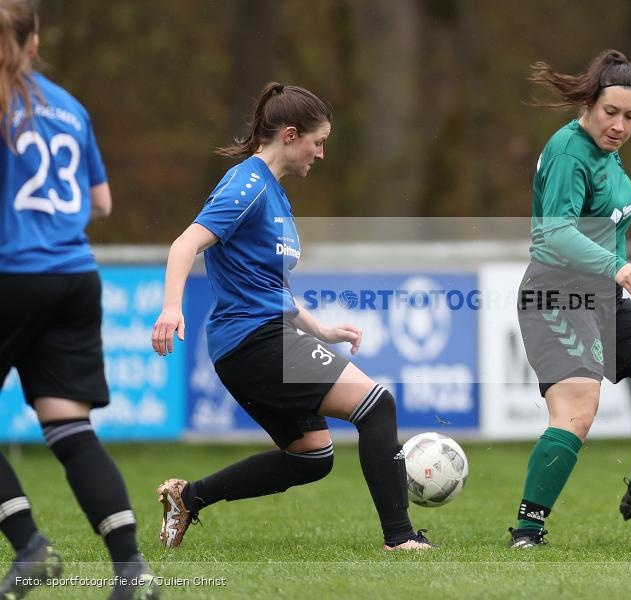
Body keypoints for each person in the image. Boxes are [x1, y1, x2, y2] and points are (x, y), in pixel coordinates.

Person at [150, 81, 433, 552]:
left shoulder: (276, 196)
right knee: (376, 405)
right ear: (289, 134)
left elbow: (269, 287)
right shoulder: (247, 184)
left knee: (311, 457)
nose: (320, 154)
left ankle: (188, 498)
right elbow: (186, 244)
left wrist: (320, 328)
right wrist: (171, 306)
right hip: (254, 342)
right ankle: (400, 537)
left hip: (257, 341)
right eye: (317, 142)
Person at [508, 49, 631, 548]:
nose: (619, 125)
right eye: (611, 113)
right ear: (589, 106)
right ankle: (527, 531)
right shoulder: (570, 151)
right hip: (556, 293)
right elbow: (553, 235)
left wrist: (615, 272)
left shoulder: (606, 151)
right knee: (578, 410)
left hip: (601, 296)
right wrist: (618, 266)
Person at [0, 1, 158, 598]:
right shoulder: (69, 108)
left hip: (10, 274)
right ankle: (131, 572)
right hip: (75, 276)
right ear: (35, 42)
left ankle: (31, 548)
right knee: (69, 428)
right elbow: (102, 203)